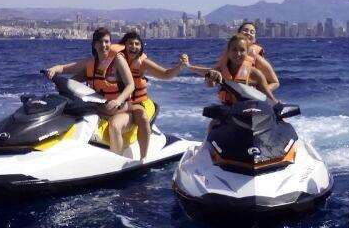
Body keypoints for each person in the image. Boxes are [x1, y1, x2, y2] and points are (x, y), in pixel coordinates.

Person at [45, 27, 135, 155]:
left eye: (106, 41)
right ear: (94, 44)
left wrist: (117, 100)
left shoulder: (118, 60)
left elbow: (131, 85)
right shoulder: (90, 63)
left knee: (114, 126)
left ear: (110, 43)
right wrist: (54, 69)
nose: (103, 45)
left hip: (123, 110)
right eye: (99, 42)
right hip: (100, 108)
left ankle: (118, 161)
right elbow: (67, 68)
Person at [117, 31, 188, 160]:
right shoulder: (116, 60)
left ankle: (143, 158)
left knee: (142, 117)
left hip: (140, 103)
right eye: (130, 43)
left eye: (137, 44)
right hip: (122, 102)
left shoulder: (142, 63)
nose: (134, 46)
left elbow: (165, 74)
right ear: (123, 46)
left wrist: (180, 66)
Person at [188, 33, 278, 105]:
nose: (238, 54)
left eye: (242, 50)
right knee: (213, 124)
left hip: (250, 113)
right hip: (228, 114)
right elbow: (209, 84)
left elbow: (270, 98)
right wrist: (209, 79)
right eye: (234, 50)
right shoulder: (220, 72)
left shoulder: (256, 74)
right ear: (228, 52)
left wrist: (278, 108)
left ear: (247, 52)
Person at [215, 22, 279, 91]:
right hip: (227, 99)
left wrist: (260, 92)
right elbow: (214, 71)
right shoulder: (228, 54)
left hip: (250, 99)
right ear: (238, 34)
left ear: (254, 39)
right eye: (245, 30)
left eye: (252, 32)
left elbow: (275, 82)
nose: (248, 33)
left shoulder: (256, 58)